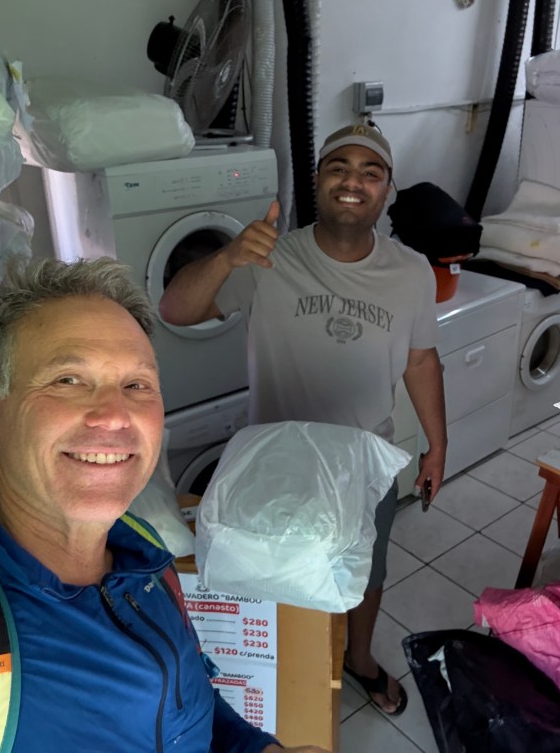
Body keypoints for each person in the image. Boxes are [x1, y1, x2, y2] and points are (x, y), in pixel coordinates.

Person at [0, 257, 328, 753]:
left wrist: (259, 750)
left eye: (137, 384)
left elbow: (188, 700)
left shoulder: (143, 556)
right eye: (68, 380)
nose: (114, 415)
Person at [160, 123, 447, 716]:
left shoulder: (413, 271)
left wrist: (437, 446)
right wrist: (228, 255)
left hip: (364, 464)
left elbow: (421, 360)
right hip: (277, 464)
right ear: (317, 180)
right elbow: (174, 309)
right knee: (270, 573)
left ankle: (358, 657)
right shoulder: (266, 256)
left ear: (387, 190)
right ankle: (285, 673)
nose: (353, 181)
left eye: (371, 172)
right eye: (339, 167)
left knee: (366, 572)